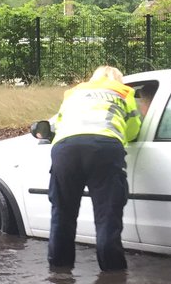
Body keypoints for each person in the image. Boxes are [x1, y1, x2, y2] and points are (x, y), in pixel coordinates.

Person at [47, 65, 143, 272]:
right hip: (104, 148)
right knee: (107, 216)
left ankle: (59, 276)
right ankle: (113, 279)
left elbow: (58, 123)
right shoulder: (124, 92)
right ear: (119, 79)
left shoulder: (74, 92)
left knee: (62, 214)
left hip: (66, 149)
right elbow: (134, 128)